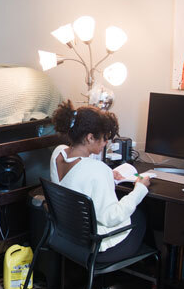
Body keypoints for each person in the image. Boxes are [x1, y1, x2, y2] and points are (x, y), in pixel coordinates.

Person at [50, 100, 150, 262]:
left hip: (68, 236)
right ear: (90, 137)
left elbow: (76, 177)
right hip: (95, 248)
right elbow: (111, 217)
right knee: (140, 216)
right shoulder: (96, 170)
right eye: (104, 139)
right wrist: (140, 188)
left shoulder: (58, 153)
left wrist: (108, 173)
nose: (105, 144)